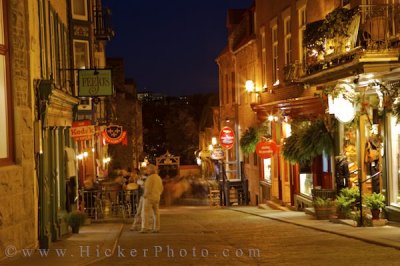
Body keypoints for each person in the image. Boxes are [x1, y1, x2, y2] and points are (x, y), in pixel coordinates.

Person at [140, 164, 163, 233]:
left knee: (145, 212)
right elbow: (161, 188)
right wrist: (158, 194)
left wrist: (145, 195)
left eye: (148, 169)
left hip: (149, 197)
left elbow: (148, 188)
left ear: (150, 170)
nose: (147, 170)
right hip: (156, 197)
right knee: (156, 213)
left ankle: (145, 227)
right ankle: (157, 227)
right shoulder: (158, 178)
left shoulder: (150, 178)